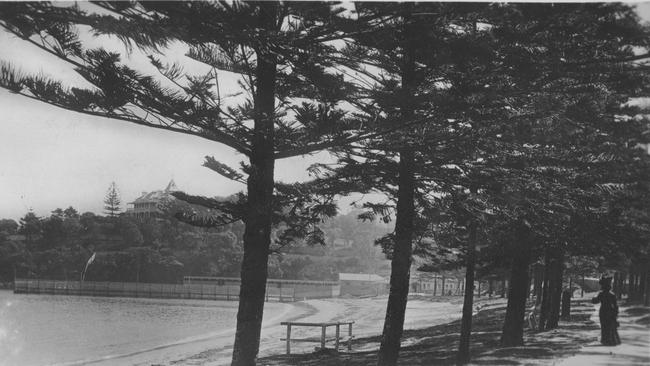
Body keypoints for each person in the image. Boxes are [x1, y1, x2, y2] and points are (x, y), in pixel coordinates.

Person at [591, 276, 621, 346]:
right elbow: (615, 306)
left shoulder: (601, 294)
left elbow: (595, 301)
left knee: (604, 325)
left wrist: (594, 297)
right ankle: (611, 340)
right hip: (610, 311)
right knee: (610, 325)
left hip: (603, 311)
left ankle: (605, 339)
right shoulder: (612, 295)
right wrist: (615, 313)